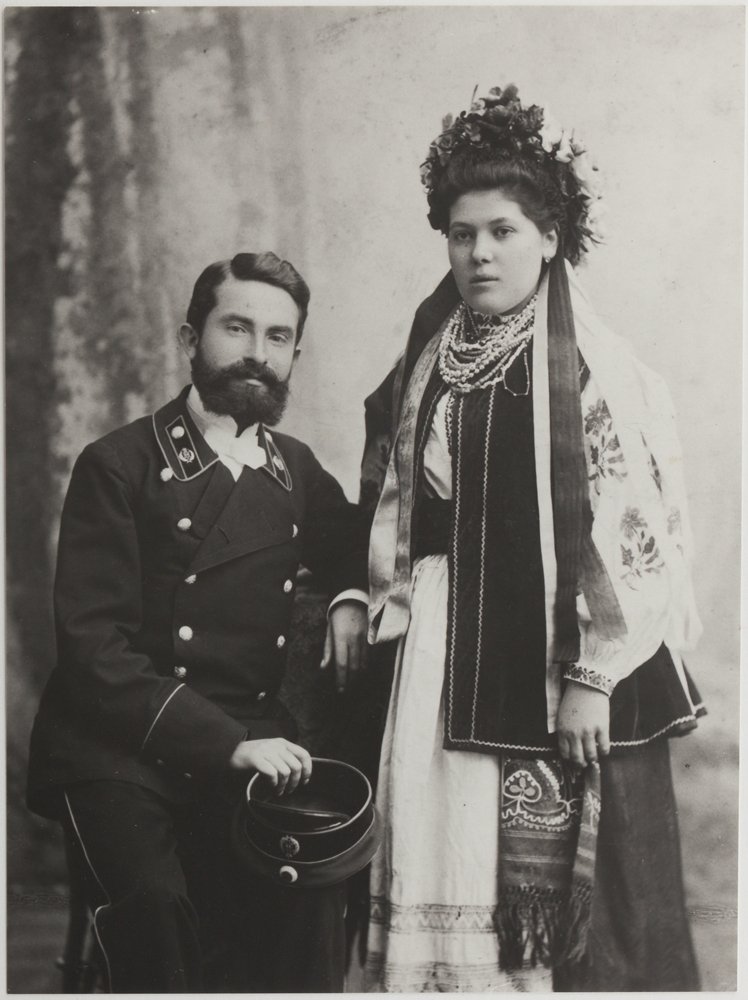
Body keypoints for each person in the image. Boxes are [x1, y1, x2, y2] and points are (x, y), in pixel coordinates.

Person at [361, 85, 704, 992]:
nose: (479, 252)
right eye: (462, 233)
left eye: (502, 231)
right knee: (444, 851)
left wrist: (593, 676)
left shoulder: (590, 366)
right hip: (446, 646)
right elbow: (395, 493)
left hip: (558, 657)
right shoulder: (434, 351)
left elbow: (632, 531)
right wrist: (374, 597)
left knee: (578, 929)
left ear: (550, 237)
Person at [26, 251, 369, 993]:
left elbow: (359, 548)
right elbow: (93, 650)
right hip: (120, 752)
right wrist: (228, 745)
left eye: (278, 337)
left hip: (251, 742)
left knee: (310, 896)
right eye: (236, 328)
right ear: (190, 339)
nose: (257, 354)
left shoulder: (295, 469)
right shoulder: (117, 464)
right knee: (155, 908)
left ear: (295, 355)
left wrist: (350, 596)